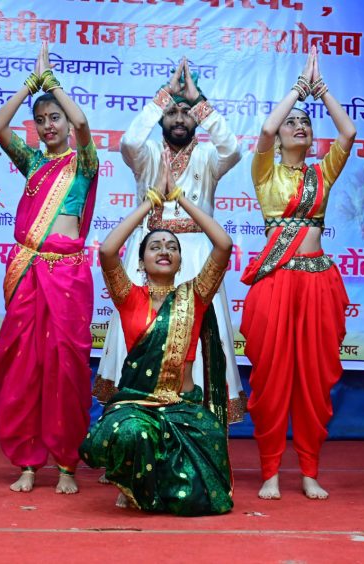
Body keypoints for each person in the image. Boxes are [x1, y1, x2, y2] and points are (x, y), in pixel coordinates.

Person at [80, 149, 235, 516]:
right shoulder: (129, 297)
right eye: (155, 246)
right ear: (142, 259)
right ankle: (132, 481)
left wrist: (179, 198)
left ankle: (152, 483)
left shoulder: (195, 297)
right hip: (139, 406)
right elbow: (107, 251)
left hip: (183, 409)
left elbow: (223, 245)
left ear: (181, 261)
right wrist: (150, 202)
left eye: (171, 247)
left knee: (209, 489)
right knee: (132, 432)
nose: (164, 250)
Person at [94, 57, 247, 426]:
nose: (179, 119)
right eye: (172, 113)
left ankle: (200, 430)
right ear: (161, 117)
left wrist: (199, 103)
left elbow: (234, 150)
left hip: (195, 257)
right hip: (146, 255)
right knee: (137, 335)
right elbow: (129, 142)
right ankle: (126, 430)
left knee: (203, 339)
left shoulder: (209, 156)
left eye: (186, 114)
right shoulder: (147, 154)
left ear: (196, 118)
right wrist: (163, 97)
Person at [0, 41, 99, 495]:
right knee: (25, 368)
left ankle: (67, 464)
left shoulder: (84, 163)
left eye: (56, 118)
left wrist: (53, 84)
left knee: (65, 368)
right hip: (29, 271)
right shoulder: (32, 163)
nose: (49, 126)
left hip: (67, 275)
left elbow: (85, 123)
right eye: (42, 120)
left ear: (68, 124)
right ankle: (29, 461)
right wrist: (30, 86)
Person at [239, 46, 356, 501]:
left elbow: (348, 131)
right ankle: (270, 471)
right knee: (271, 379)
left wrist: (321, 91)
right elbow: (268, 127)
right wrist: (295, 90)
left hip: (317, 282)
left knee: (313, 379)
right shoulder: (265, 171)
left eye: (306, 123)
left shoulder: (322, 172)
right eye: (294, 122)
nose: (299, 126)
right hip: (276, 281)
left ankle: (309, 469)